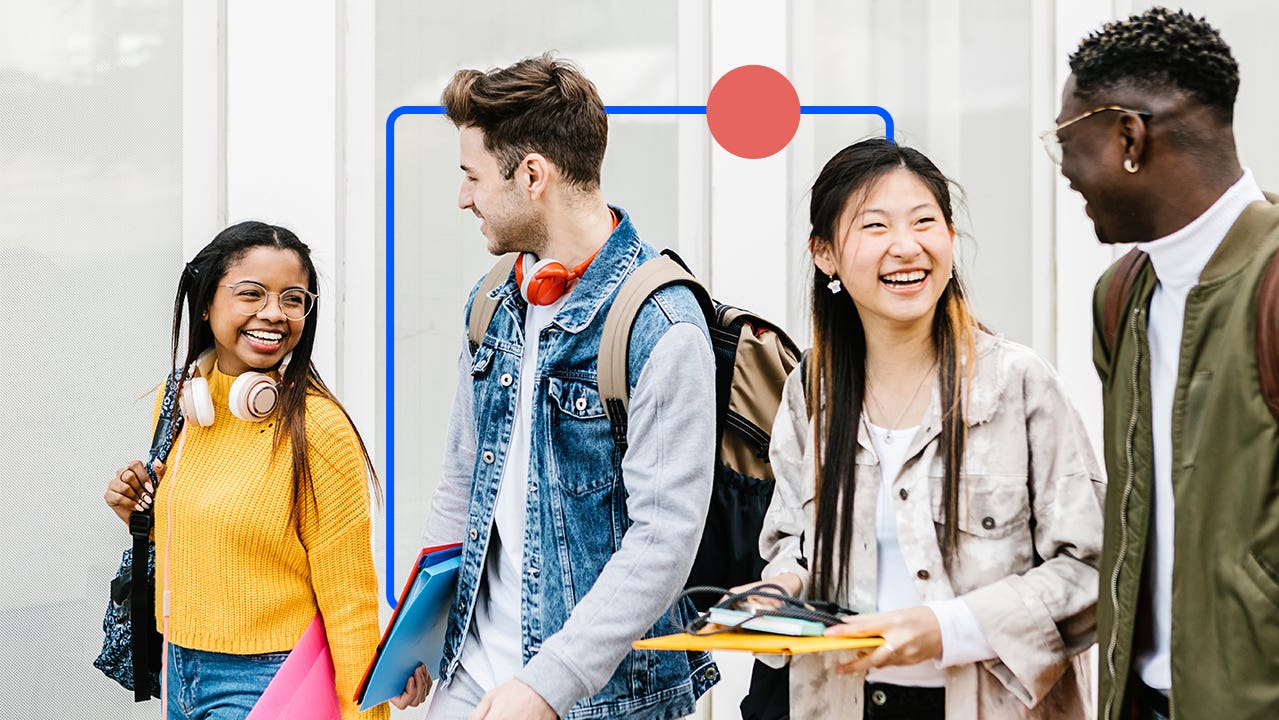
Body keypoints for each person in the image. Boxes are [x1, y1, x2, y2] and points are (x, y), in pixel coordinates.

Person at [750, 138, 1104, 719]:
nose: (906, 247)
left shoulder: (1018, 384)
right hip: (841, 701)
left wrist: (949, 628)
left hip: (986, 703)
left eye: (924, 222)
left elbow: (1092, 569)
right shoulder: (810, 388)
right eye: (875, 227)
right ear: (825, 255)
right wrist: (778, 591)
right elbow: (793, 543)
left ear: (950, 239)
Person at [414, 53, 718, 720]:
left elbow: (663, 540)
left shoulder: (662, 326)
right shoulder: (494, 299)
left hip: (603, 700)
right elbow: (462, 484)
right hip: (472, 682)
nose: (463, 197)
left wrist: (548, 682)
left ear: (532, 175)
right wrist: (421, 636)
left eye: (471, 176)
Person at [1046, 8, 1279, 720]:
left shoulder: (1271, 286)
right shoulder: (1120, 298)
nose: (1063, 172)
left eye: (1066, 140)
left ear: (1128, 137)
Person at [103, 221, 418, 719]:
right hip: (178, 668)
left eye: (293, 299)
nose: (274, 313)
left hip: (268, 678)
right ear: (206, 303)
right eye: (251, 293)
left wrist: (368, 710)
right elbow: (227, 544)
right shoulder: (181, 403)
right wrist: (142, 516)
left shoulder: (317, 426)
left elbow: (350, 599)